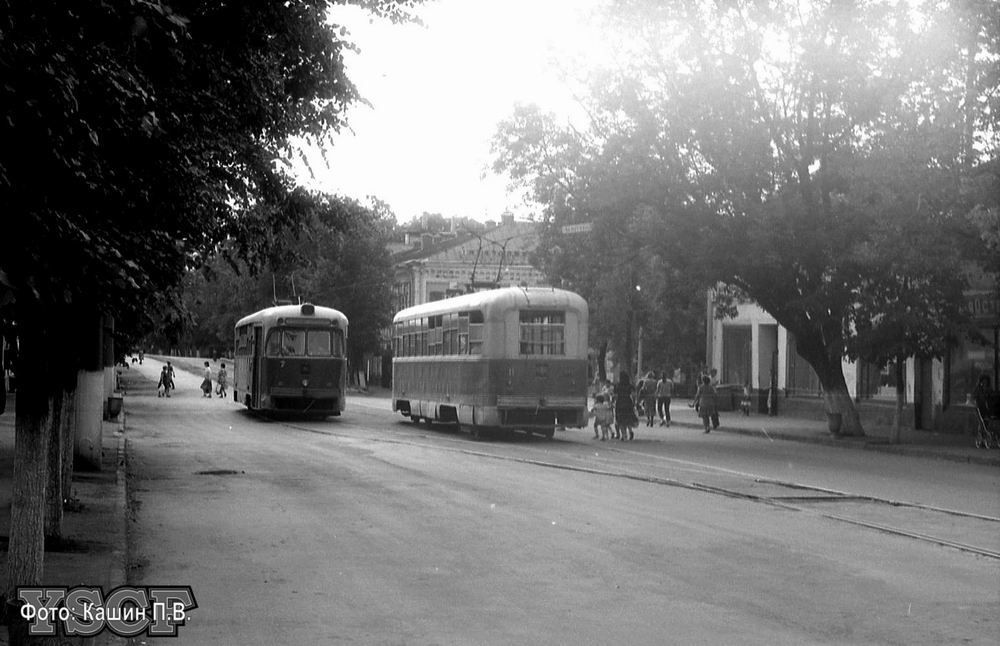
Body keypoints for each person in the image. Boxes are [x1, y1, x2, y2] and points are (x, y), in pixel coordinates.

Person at [613, 370, 638, 441]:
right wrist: (634, 402)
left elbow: (615, 396)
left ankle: (624, 435)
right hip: (628, 402)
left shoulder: (617, 385)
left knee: (620, 420)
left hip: (620, 403)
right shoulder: (630, 385)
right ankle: (630, 431)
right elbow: (633, 395)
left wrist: (613, 402)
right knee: (628, 418)